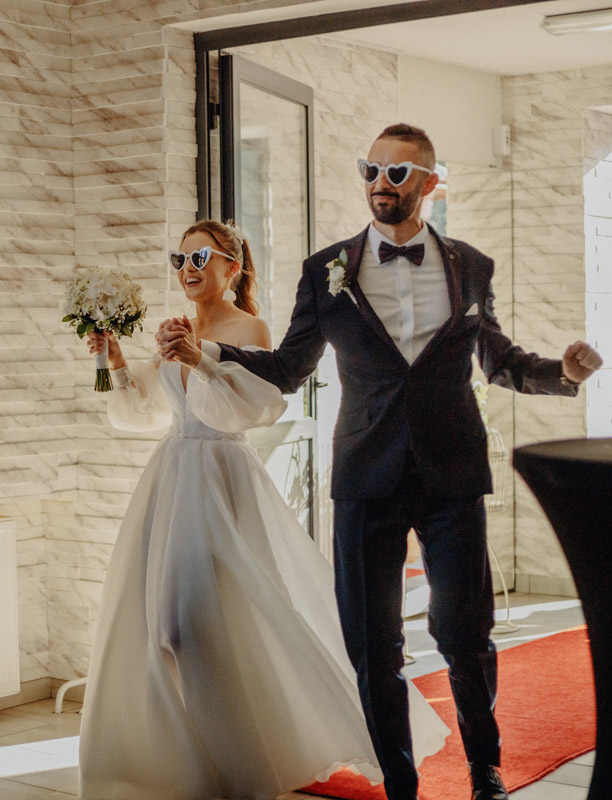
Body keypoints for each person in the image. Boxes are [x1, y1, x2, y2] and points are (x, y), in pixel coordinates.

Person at [160, 125, 604, 800]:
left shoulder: (470, 265)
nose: (380, 184)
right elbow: (287, 367)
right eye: (371, 170)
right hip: (365, 476)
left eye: (397, 173)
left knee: (465, 632)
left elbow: (500, 361)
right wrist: (211, 354)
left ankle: (485, 770)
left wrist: (563, 374)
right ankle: (400, 784)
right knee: (372, 644)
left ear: (430, 182)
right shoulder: (326, 270)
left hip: (452, 474)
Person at [78, 219, 449, 800]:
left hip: (222, 480)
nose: (187, 269)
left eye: (200, 257)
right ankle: (192, 767)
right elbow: (145, 411)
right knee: (159, 628)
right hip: (171, 480)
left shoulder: (248, 328)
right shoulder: (176, 327)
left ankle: (248, 766)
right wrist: (115, 359)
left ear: (231, 267)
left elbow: (253, 406)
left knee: (197, 626)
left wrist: (202, 360)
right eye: (179, 259)